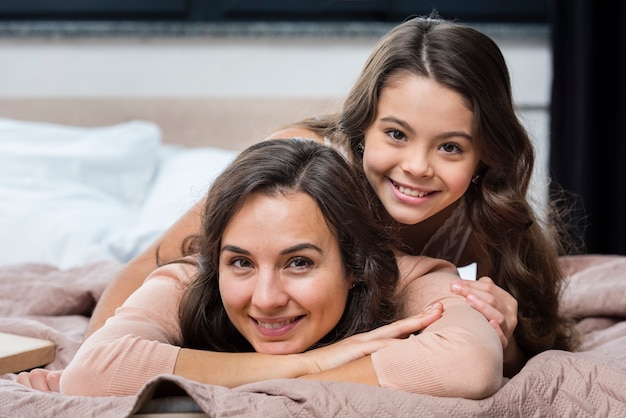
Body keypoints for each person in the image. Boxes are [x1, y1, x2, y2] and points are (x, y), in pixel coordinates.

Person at [53, 139, 501, 397]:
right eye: (242, 262)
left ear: (355, 265)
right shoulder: (192, 278)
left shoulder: (410, 280)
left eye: (299, 263)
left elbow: (471, 364)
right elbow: (93, 370)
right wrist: (311, 363)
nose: (265, 298)